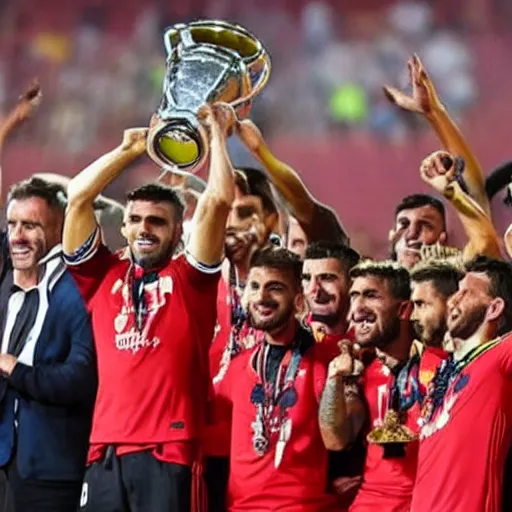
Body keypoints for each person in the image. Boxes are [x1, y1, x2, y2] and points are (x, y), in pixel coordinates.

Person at [63, 104, 236, 512]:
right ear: (122, 226)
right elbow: (77, 199)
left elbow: (217, 202)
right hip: (103, 450)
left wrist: (216, 137)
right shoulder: (100, 276)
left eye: (157, 222)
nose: (144, 228)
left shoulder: (191, 281)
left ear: (179, 232)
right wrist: (129, 150)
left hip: (169, 449)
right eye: (135, 219)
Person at [216, 247, 341, 511]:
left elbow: (342, 436)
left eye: (274, 288)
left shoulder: (326, 360)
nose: (261, 297)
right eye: (255, 286)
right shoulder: (237, 366)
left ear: (298, 301)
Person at [0, 177, 96, 512]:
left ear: (60, 228)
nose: (17, 236)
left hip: (51, 467)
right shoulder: (9, 287)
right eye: (12, 224)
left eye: (30, 225)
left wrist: (13, 368)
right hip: (6, 462)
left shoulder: (79, 293)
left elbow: (81, 379)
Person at [319, 260, 445, 512]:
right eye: (354, 295)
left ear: (403, 310)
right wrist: (334, 379)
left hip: (422, 502)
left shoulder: (440, 368)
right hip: (368, 503)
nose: (358, 306)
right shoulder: (362, 369)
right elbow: (335, 439)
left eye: (371, 295)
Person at [412, 256, 512, 512]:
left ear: (494, 308)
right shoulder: (445, 367)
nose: (453, 299)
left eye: (465, 292)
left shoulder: (500, 356)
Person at [204, 167, 278, 512]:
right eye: (225, 212)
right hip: (206, 449)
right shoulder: (195, 283)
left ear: (272, 221)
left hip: (268, 453)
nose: (233, 223)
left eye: (246, 213)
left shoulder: (293, 292)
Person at [410, 261, 463, 388]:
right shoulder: (415, 365)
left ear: (453, 302)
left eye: (421, 304)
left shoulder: (478, 362)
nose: (413, 316)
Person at [302, 240, 360, 343]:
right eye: (307, 278)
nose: (312, 289)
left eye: (326, 278)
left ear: (353, 284)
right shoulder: (292, 339)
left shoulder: (375, 346)